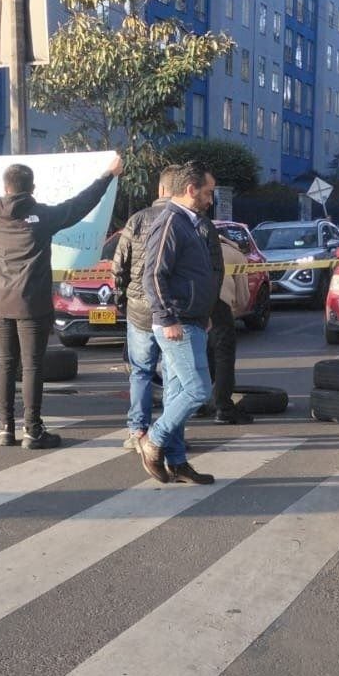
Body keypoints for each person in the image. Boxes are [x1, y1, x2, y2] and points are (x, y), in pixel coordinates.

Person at [0, 153, 122, 448]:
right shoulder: (43, 216)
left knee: (5, 364)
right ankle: (32, 430)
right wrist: (107, 176)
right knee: (32, 365)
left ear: (5, 188)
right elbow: (79, 205)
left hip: (0, 303)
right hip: (33, 304)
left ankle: (6, 428)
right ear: (31, 188)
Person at [136, 162, 219, 485]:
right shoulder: (170, 221)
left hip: (192, 320)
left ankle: (177, 461)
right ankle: (153, 441)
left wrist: (203, 313)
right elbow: (154, 274)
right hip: (177, 323)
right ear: (190, 190)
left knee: (176, 395)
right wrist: (167, 317)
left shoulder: (189, 223)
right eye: (208, 192)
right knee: (198, 391)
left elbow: (190, 275)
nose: (211, 199)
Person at [114, 169, 175, 450]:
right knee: (174, 374)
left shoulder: (137, 220)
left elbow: (119, 264)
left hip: (138, 309)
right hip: (173, 312)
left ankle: (137, 430)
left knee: (140, 371)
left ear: (160, 190)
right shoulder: (187, 221)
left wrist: (121, 297)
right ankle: (169, 434)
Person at [200, 197, 250, 424]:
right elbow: (243, 298)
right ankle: (223, 408)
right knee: (223, 358)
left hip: (192, 306)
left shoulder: (191, 245)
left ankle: (198, 404)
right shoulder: (234, 254)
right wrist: (234, 311)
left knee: (196, 357)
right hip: (220, 308)